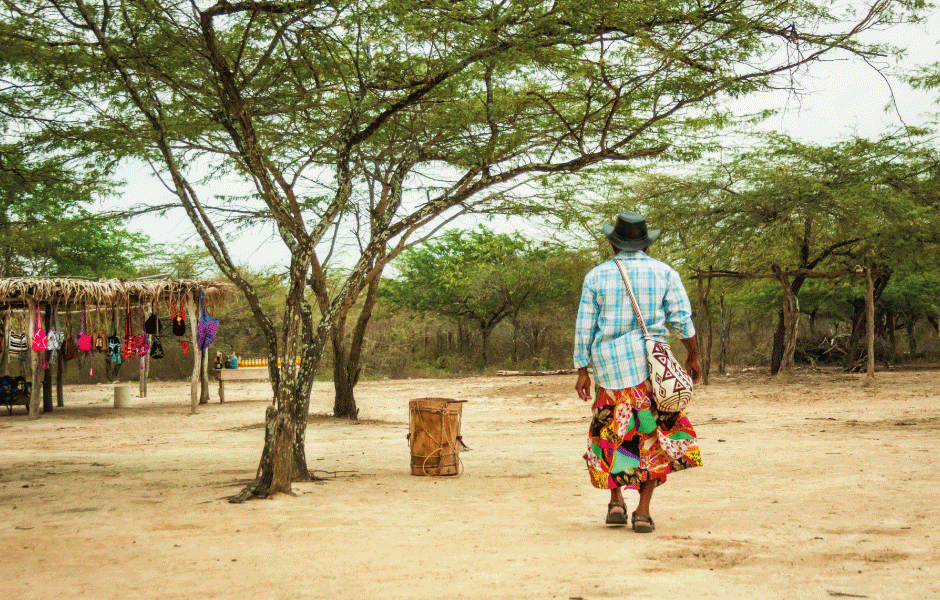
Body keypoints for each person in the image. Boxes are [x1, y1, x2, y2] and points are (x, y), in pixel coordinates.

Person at [573, 211, 703, 532]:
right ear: (645, 245)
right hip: (651, 375)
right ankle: (642, 512)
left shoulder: (596, 277)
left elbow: (584, 328)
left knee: (613, 436)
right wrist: (693, 357)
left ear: (614, 246)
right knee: (651, 440)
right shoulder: (665, 273)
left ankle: (616, 501)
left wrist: (582, 370)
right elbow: (682, 320)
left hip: (610, 375)